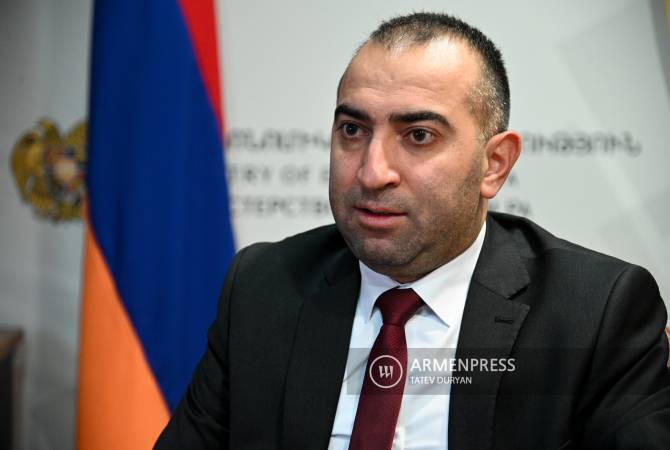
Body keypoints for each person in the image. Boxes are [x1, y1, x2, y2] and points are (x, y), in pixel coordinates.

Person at [155, 12, 670, 449]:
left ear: (494, 164)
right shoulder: (264, 288)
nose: (372, 171)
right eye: (353, 130)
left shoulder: (593, 313)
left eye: (418, 135)